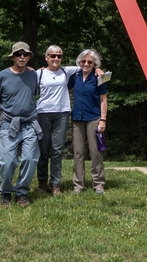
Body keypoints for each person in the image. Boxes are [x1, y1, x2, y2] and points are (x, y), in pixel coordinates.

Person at [34, 44, 101, 196]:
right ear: (46, 58)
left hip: (62, 114)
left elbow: (87, 65)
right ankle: (42, 183)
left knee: (57, 150)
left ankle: (55, 184)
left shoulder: (67, 70)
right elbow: (25, 79)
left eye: (59, 56)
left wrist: (97, 69)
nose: (56, 58)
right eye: (53, 56)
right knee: (43, 150)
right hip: (43, 113)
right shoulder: (39, 73)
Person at [0, 41, 40, 207]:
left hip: (29, 124)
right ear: (13, 57)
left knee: (30, 159)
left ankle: (22, 193)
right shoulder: (2, 75)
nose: (22, 57)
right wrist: (4, 118)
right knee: (8, 161)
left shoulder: (33, 75)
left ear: (29, 57)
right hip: (9, 125)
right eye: (18, 54)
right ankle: (5, 192)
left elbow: (35, 95)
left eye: (25, 54)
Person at [70, 48, 108, 194]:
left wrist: (103, 120)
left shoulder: (100, 77)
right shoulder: (75, 76)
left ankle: (98, 184)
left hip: (94, 118)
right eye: (83, 61)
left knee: (96, 151)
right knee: (78, 152)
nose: (86, 64)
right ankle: (78, 185)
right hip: (77, 119)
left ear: (94, 64)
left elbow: (103, 100)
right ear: (79, 62)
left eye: (90, 62)